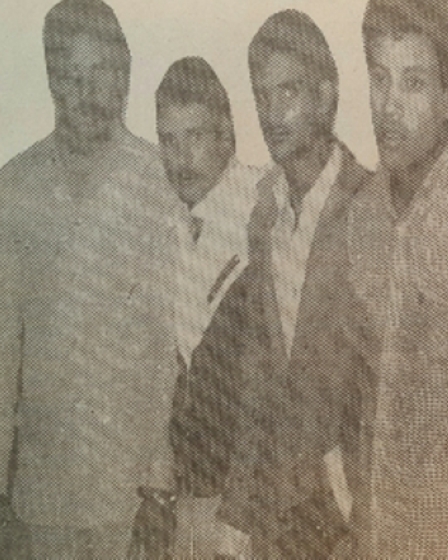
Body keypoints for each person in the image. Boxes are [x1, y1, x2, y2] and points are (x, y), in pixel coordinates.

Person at [301, 0, 448, 556]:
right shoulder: (359, 217)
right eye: (380, 79)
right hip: (375, 537)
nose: (389, 106)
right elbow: (352, 386)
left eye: (414, 83)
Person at [0, 0, 179, 558]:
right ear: (51, 82)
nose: (88, 93)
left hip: (132, 495)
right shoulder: (15, 188)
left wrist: (160, 479)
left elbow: (171, 344)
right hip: (42, 495)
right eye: (72, 77)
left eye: (102, 74)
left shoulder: (160, 180)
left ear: (125, 75)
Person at [213, 10, 371, 559]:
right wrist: (235, 515)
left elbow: (390, 388)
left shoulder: (372, 209)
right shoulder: (266, 217)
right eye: (262, 97)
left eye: (288, 93)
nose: (272, 114)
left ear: (326, 96)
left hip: (352, 519)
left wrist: (349, 508)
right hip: (279, 519)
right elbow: (258, 380)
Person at [155, 56, 263, 560]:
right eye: (169, 142)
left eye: (195, 137)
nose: (181, 158)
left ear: (227, 135)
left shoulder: (265, 208)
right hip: (193, 490)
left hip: (257, 496)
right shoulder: (170, 224)